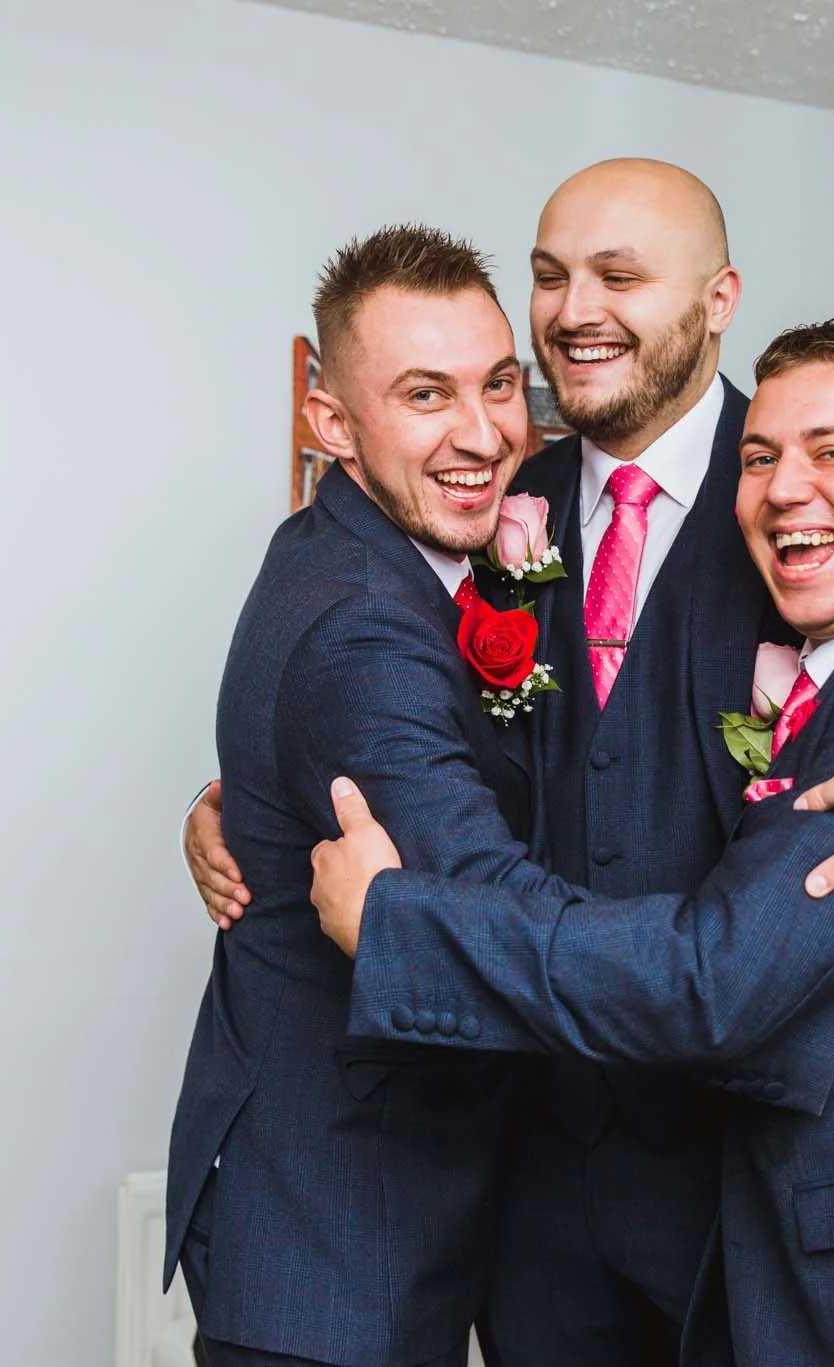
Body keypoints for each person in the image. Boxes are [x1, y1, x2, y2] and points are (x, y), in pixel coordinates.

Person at [185, 158, 834, 1365]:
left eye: (620, 274)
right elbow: (397, 717)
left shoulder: (817, 468)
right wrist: (247, 801)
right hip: (535, 1180)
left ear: (718, 300)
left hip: (730, 1183)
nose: (576, 310)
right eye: (552, 275)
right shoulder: (498, 477)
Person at [163, 226, 560, 1367]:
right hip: (334, 1241)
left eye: (498, 384)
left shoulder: (348, 542)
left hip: (335, 1197)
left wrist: (236, 798)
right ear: (331, 423)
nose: (482, 433)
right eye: (425, 394)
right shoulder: (363, 620)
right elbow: (488, 903)